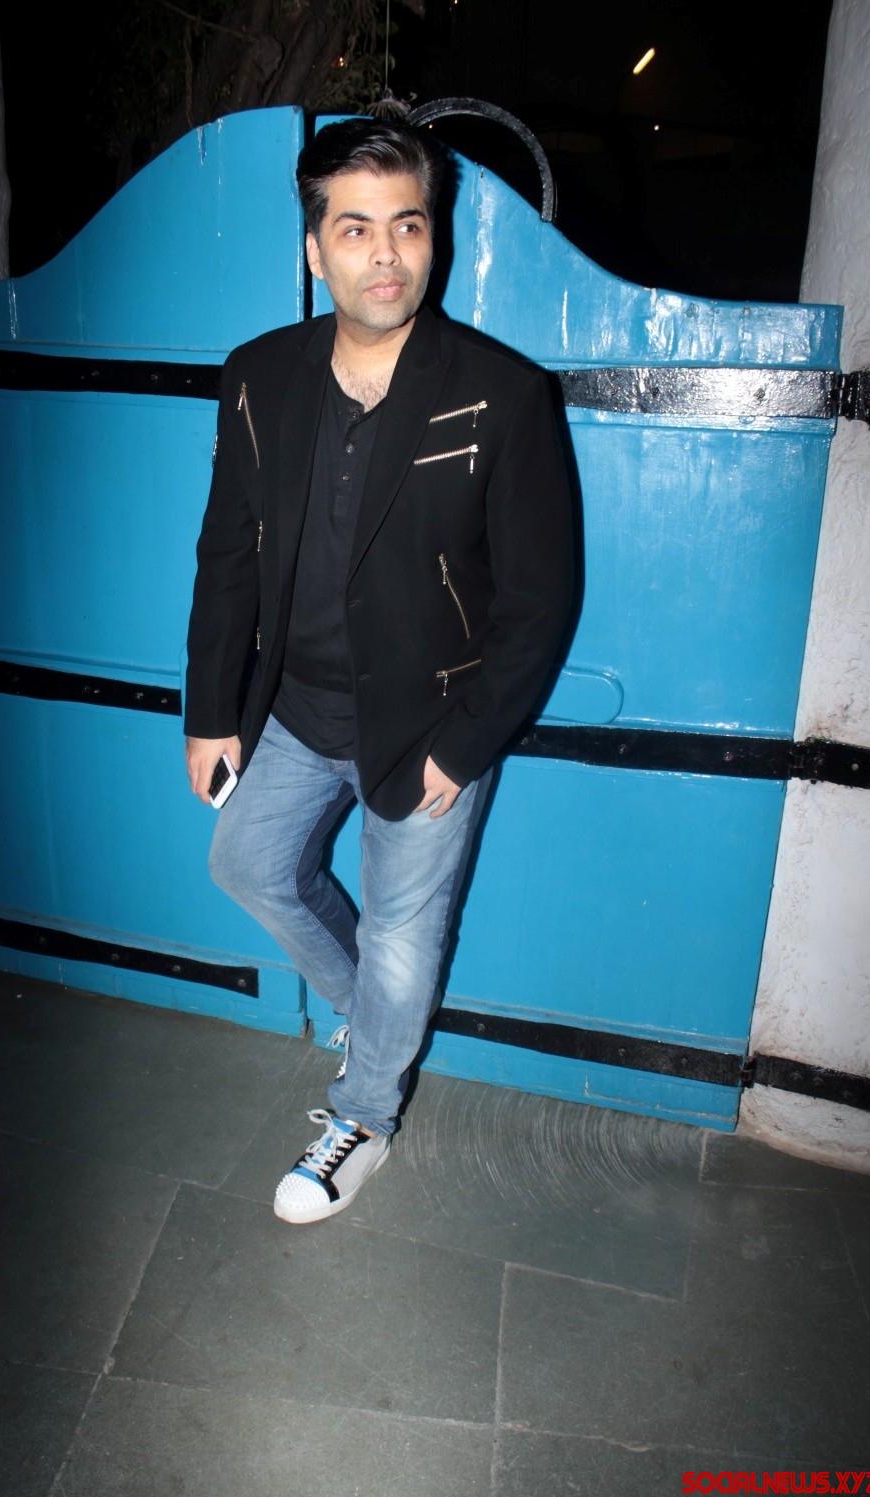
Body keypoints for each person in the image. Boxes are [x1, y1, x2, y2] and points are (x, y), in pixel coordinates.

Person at [184, 117, 573, 1225]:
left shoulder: (503, 393)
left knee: (407, 933)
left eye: (408, 224)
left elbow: (541, 601)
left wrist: (467, 744)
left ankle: (366, 1115)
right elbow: (227, 555)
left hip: (432, 723)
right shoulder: (259, 376)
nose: (387, 253)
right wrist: (211, 712)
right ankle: (380, 1019)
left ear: (433, 237)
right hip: (295, 710)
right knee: (247, 865)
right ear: (316, 249)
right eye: (355, 229)